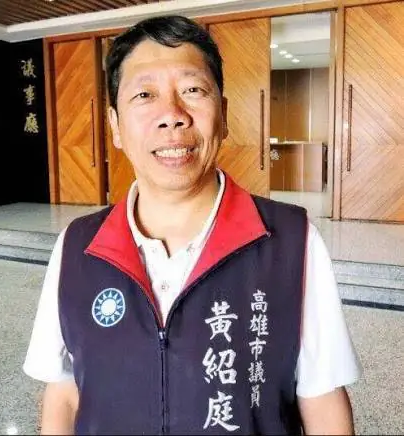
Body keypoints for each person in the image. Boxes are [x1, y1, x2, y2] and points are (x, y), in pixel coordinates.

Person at [23, 15, 361, 435]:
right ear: (115, 127)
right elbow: (64, 391)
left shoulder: (293, 241)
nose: (172, 116)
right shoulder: (76, 246)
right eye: (145, 94)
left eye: (192, 90)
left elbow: (322, 401)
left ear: (223, 115)